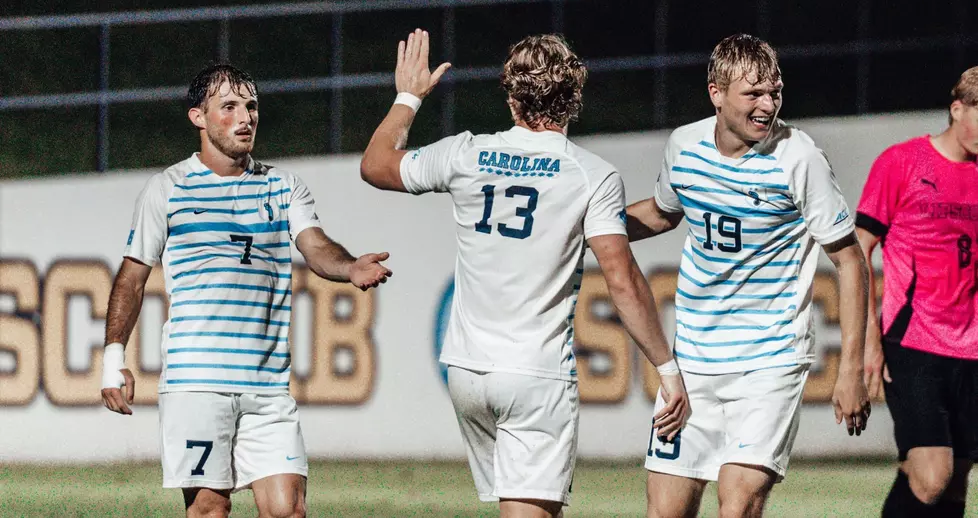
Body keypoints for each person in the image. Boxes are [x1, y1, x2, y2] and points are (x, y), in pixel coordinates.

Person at [360, 29, 690, 518]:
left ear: (512, 98)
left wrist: (409, 96)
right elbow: (621, 278)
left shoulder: (466, 152)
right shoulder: (589, 175)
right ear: (574, 99)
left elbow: (375, 164)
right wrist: (667, 367)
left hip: (467, 371)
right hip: (534, 374)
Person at [99, 64, 392, 518]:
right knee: (209, 510)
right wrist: (112, 359)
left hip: (267, 386)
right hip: (196, 384)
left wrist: (349, 266)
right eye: (230, 106)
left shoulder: (283, 186)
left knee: (288, 510)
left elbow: (315, 246)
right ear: (198, 117)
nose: (245, 117)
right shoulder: (167, 189)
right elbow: (131, 278)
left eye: (251, 106)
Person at [625, 34, 872, 518]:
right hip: (692, 362)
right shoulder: (685, 146)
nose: (768, 105)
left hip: (770, 362)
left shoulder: (798, 158)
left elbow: (850, 260)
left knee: (738, 504)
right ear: (715, 92)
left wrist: (850, 370)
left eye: (775, 92)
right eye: (753, 94)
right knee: (665, 511)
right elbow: (662, 212)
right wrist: (592, 227)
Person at [856, 66, 978, 518]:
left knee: (956, 480)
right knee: (932, 475)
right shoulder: (902, 163)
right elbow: (859, 251)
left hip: (972, 347)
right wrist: (870, 339)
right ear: (957, 108)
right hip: (914, 341)